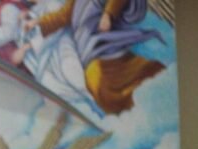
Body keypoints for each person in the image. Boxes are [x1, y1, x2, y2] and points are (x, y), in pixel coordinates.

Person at [24, 0, 164, 114]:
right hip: (88, 48)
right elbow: (62, 16)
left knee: (101, 77)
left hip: (104, 43)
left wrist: (108, 14)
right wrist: (38, 23)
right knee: (98, 83)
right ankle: (133, 106)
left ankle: (147, 88)